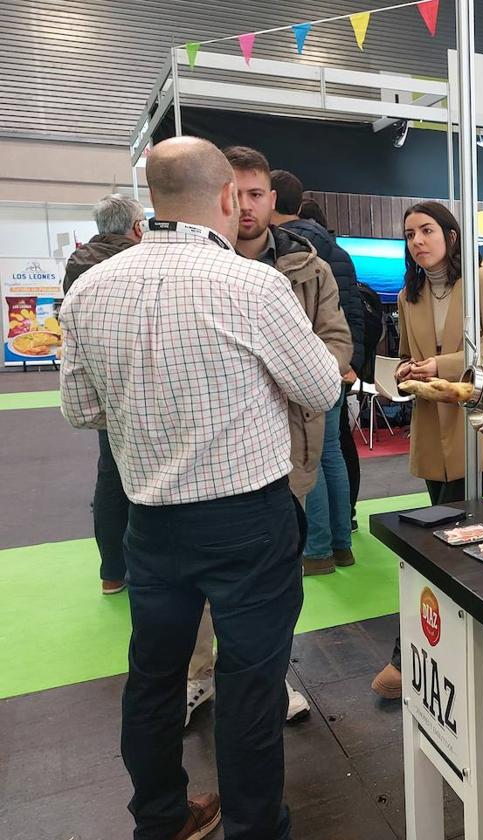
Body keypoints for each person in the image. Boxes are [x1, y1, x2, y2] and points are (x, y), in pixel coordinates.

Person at [60, 136, 343, 840]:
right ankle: (254, 828)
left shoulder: (91, 288)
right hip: (249, 518)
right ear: (225, 197)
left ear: (150, 201)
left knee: (153, 680)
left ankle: (159, 819)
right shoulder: (253, 286)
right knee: (251, 686)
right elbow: (318, 387)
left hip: (150, 519)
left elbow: (80, 411)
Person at [180, 146, 351, 732]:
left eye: (258, 194)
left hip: (289, 449)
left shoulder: (310, 269)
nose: (247, 206)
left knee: (277, 584)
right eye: (239, 194)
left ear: (272, 200)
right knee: (201, 586)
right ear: (221, 195)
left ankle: (268, 677)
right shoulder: (193, 269)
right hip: (210, 452)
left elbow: (336, 345)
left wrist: (284, 377)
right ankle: (199, 676)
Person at [371, 201, 483, 699]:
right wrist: (403, 370)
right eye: (410, 234)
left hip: (474, 427)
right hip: (430, 427)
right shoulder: (407, 295)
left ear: (452, 234)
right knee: (449, 534)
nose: (418, 240)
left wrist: (443, 363)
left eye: (427, 230)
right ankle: (445, 645)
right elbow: (409, 358)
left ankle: (412, 651)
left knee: (447, 535)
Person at [271, 169, 365, 569]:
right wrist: (347, 363)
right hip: (335, 364)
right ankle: (341, 543)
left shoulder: (290, 252)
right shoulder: (335, 250)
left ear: (272, 200)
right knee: (331, 452)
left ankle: (319, 547)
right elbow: (351, 313)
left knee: (309, 455)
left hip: (302, 369)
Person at [63, 193, 145, 595]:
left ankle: (112, 572)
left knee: (111, 475)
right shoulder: (135, 265)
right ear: (136, 227)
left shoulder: (77, 265)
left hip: (101, 385)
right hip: (142, 382)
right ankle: (149, 570)